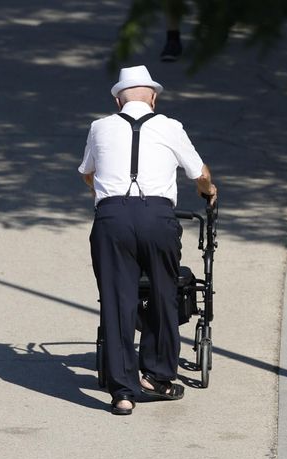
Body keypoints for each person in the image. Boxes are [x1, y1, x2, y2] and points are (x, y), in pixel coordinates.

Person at [79, 65, 217, 415]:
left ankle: (122, 392)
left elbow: (88, 175)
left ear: (116, 99)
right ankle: (156, 376)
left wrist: (110, 196)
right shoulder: (171, 127)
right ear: (153, 97)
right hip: (158, 217)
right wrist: (209, 190)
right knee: (162, 292)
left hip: (112, 218)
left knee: (116, 300)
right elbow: (198, 173)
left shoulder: (100, 127)